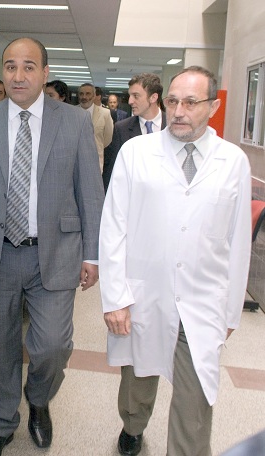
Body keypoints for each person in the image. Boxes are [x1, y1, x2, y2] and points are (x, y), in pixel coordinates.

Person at [0, 37, 103, 456]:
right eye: (11, 66)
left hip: (55, 252)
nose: (18, 75)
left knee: (53, 345)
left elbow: (90, 192)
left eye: (28, 66)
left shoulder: (74, 122)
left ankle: (38, 399)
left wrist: (92, 254)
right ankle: (1, 422)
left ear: (44, 73)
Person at [99, 66, 252, 456]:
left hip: (203, 300)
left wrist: (230, 311)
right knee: (137, 383)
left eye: (191, 102)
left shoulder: (232, 161)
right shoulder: (136, 153)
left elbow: (238, 243)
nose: (179, 111)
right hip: (144, 295)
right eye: (173, 101)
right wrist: (115, 297)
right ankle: (133, 426)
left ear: (213, 107)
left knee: (196, 399)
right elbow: (113, 227)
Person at [102, 73, 165, 191]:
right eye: (130, 96)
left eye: (136, 96)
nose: (130, 101)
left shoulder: (174, 126)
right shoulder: (122, 129)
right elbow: (112, 172)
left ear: (153, 97)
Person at [77, 82, 113, 170]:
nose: (84, 97)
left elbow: (108, 138)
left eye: (88, 94)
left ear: (94, 96)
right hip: (74, 161)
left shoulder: (105, 113)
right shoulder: (71, 112)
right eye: (81, 94)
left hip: (96, 161)